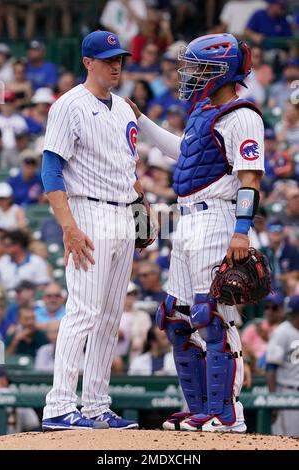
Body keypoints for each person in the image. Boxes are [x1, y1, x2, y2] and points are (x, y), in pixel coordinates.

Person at [126, 33, 265, 433]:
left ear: (221, 71)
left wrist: (242, 232)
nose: (189, 74)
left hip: (218, 218)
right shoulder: (205, 111)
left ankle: (227, 414)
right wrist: (142, 120)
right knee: (176, 318)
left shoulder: (242, 114)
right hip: (186, 219)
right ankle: (200, 409)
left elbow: (250, 179)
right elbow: (185, 153)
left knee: (213, 315)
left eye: (198, 68)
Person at [40, 30, 154, 431]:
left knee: (109, 317)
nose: (116, 64)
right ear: (88, 62)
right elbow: (51, 169)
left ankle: (95, 405)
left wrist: (142, 212)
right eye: (107, 58)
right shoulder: (68, 105)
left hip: (123, 213)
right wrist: (68, 227)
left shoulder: (124, 107)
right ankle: (58, 405)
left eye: (119, 57)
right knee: (84, 312)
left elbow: (127, 171)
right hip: (86, 213)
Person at [266, 295, 299, 437]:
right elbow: (271, 368)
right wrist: (274, 400)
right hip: (287, 395)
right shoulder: (282, 332)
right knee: (289, 440)